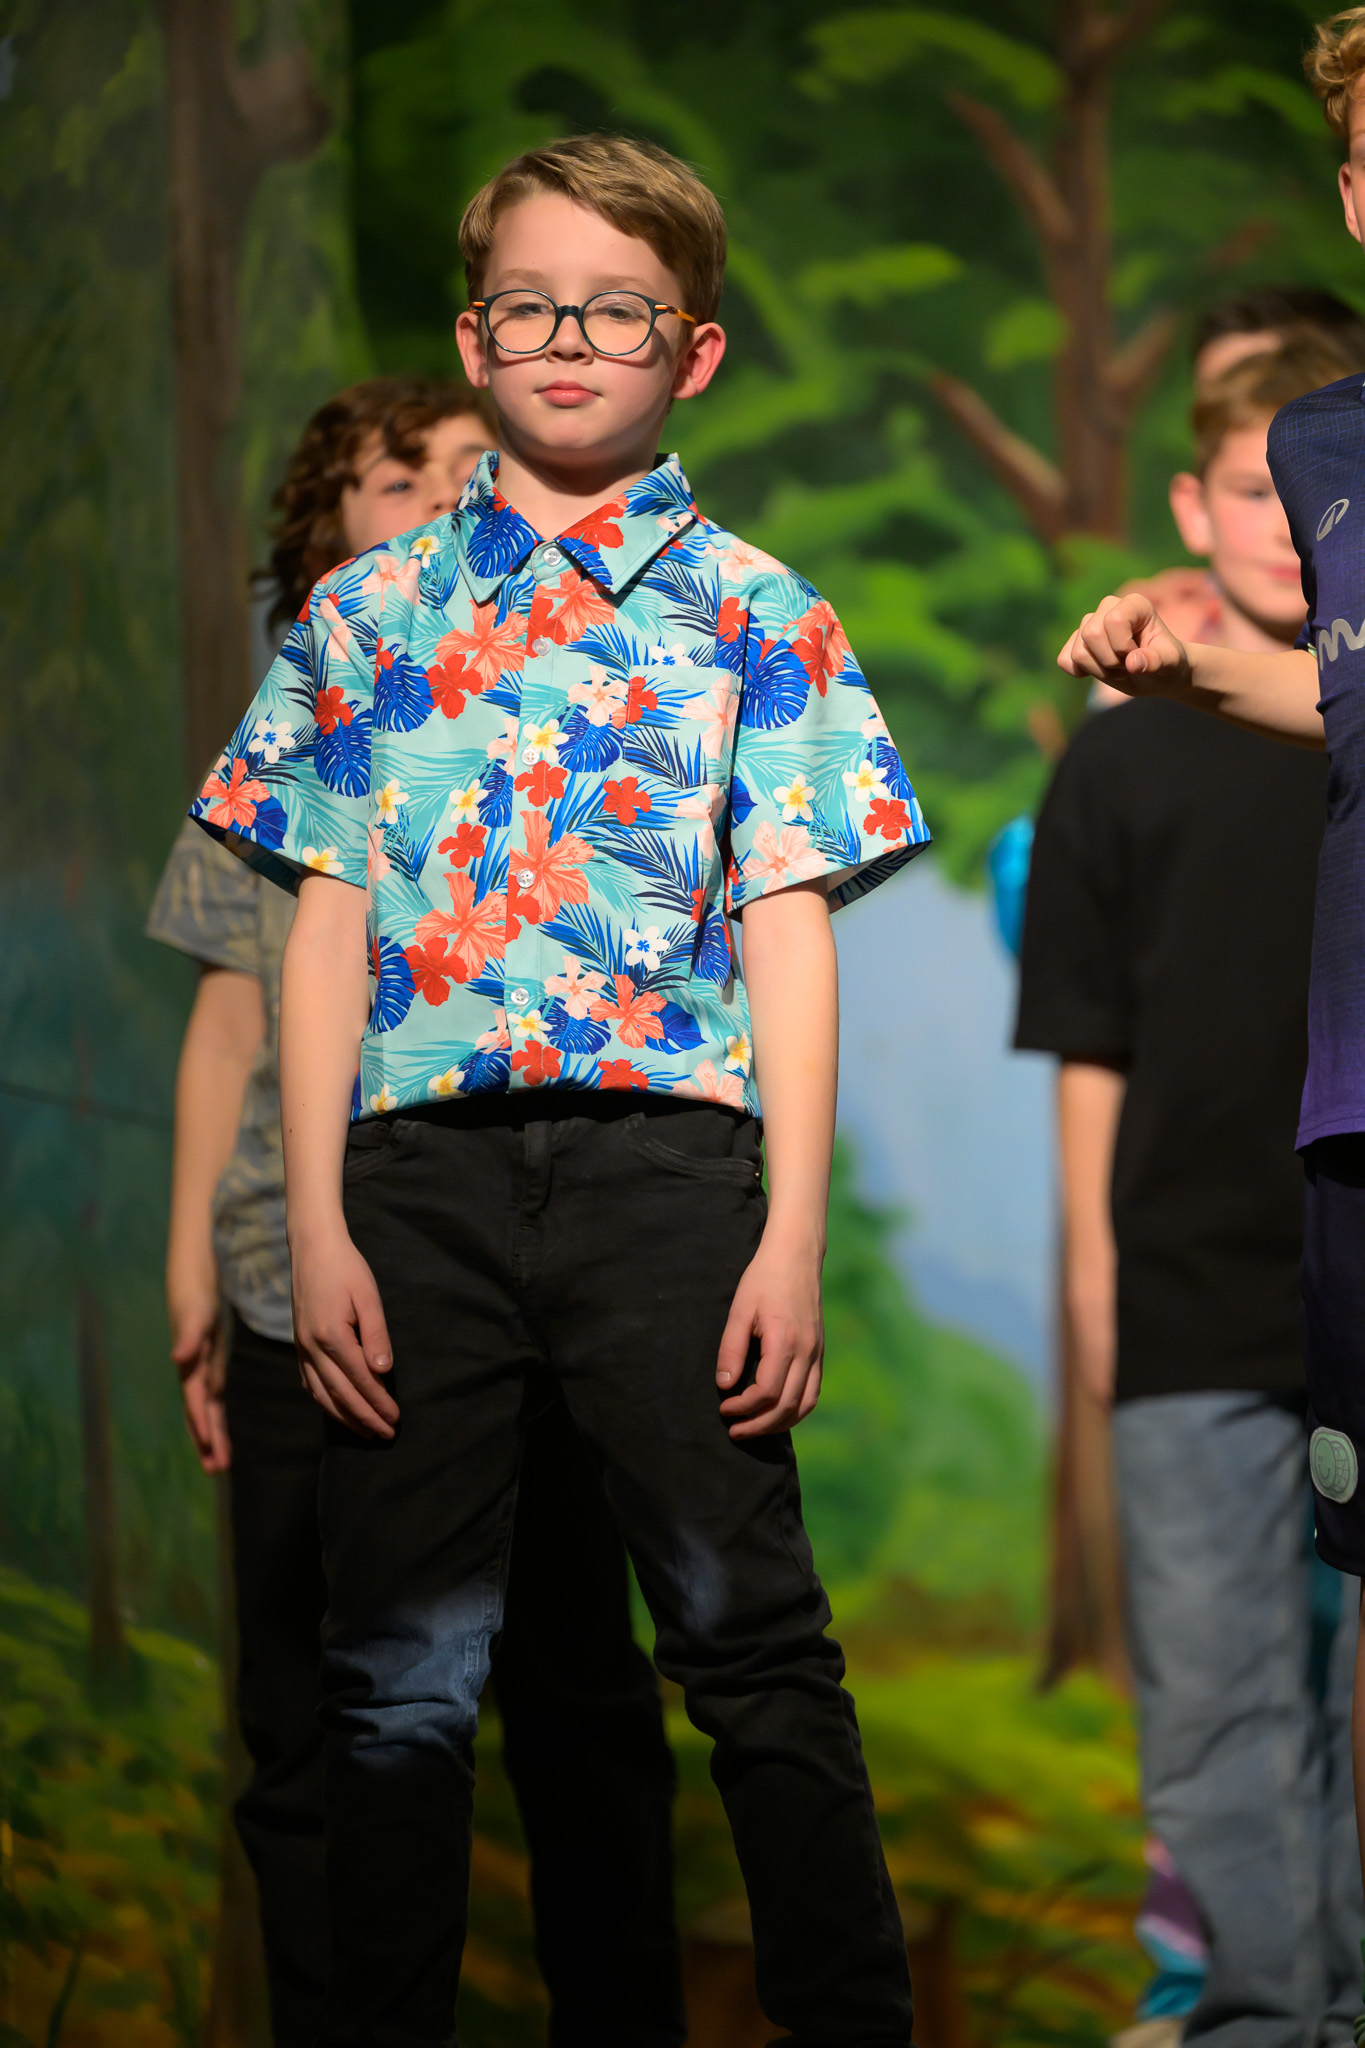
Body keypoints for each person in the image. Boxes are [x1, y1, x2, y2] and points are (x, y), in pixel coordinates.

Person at [186, 132, 927, 2046]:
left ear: (694, 351)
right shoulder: (363, 616)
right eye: (530, 306)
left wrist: (789, 1236)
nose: (570, 340)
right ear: (474, 335)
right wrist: (320, 1221)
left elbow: (787, 930)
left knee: (751, 1648)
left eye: (617, 310)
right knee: (395, 1681)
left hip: (668, 1184)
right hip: (413, 1193)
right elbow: (323, 927)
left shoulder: (761, 610)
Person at [148, 375, 689, 2048]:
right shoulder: (292, 719)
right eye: (395, 480)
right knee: (315, 1710)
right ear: (322, 528)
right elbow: (228, 1015)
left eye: (464, 473)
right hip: (282, 1281)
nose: (439, 501)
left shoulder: (571, 701)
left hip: (517, 1276)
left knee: (577, 1691)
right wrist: (194, 1259)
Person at [1057, 8, 1365, 2032]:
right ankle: (1271, 2012)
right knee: (1242, 1690)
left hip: (1313, 1234)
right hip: (1229, 1262)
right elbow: (1086, 1057)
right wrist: (1094, 1291)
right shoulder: (1331, 459)